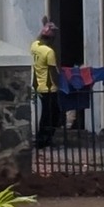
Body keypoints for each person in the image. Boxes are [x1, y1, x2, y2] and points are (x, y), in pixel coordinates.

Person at [31, 18, 61, 150]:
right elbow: (53, 72)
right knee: (52, 116)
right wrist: (60, 85)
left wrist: (45, 26)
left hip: (39, 86)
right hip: (49, 88)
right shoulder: (49, 52)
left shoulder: (34, 46)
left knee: (46, 114)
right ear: (51, 39)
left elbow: (39, 37)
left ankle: (43, 140)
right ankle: (43, 140)